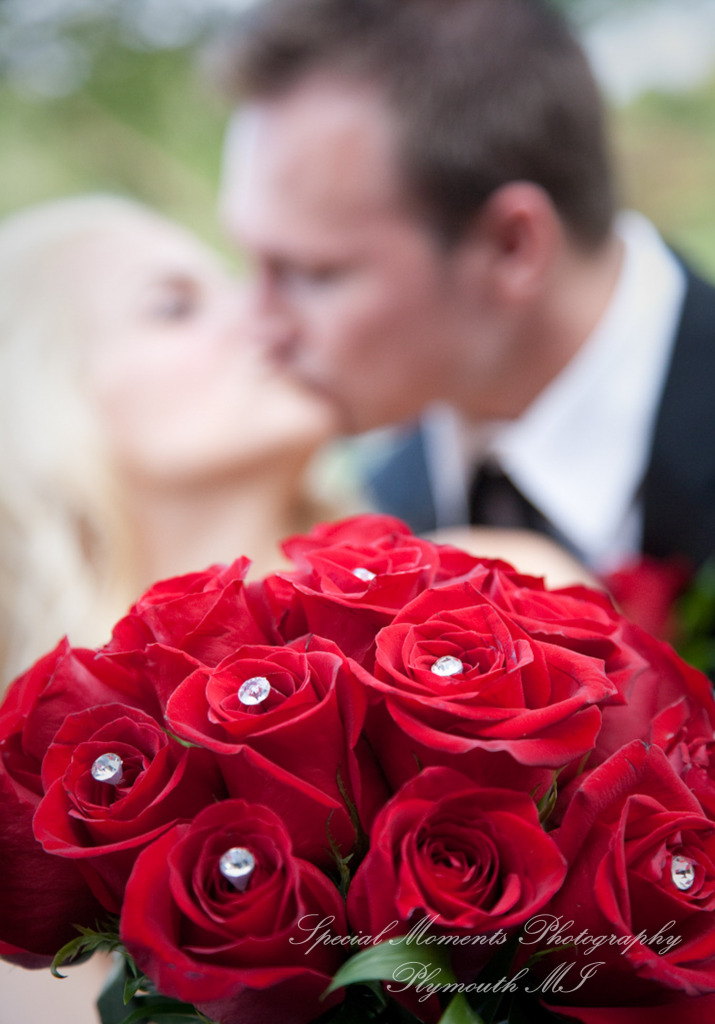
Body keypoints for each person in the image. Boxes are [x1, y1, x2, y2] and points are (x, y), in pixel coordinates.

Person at [213, 0, 715, 584]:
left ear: (511, 247)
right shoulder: (372, 510)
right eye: (250, 261)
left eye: (314, 272)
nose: (256, 322)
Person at [0, 193, 341, 690]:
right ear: (41, 403)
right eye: (175, 308)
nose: (268, 311)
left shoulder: (471, 585)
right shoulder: (25, 748)